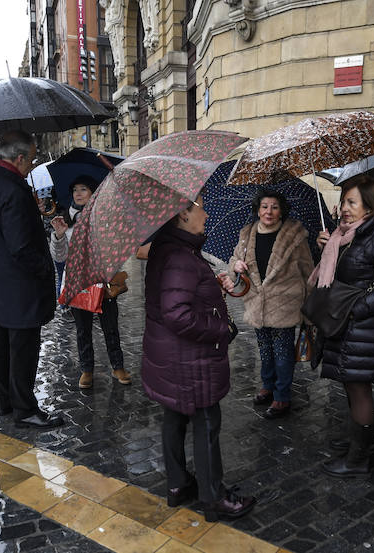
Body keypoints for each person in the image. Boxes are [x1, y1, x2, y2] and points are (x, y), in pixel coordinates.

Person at [141, 192, 256, 522]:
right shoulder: (180, 255)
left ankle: (178, 485)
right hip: (189, 361)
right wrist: (221, 328)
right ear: (182, 215)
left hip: (172, 359)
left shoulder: (172, 248)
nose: (206, 212)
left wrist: (211, 288)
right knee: (207, 423)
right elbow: (177, 314)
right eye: (201, 206)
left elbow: (182, 297)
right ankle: (213, 497)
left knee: (174, 417)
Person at [312, 175, 374, 478]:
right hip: (347, 326)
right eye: (343, 202)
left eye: (351, 202)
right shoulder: (348, 235)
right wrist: (328, 248)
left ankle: (358, 458)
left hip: (362, 327)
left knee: (359, 388)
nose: (344, 208)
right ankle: (360, 438)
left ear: (370, 206)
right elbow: (344, 274)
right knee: (350, 384)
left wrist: (356, 308)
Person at [0, 130, 63, 429]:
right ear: (20, 158)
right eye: (32, 158)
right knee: (23, 350)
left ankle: (6, 404)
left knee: (1, 346)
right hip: (22, 286)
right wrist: (44, 268)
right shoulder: (12, 189)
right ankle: (25, 410)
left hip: (1, 283)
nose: (32, 164)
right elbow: (21, 247)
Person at [218, 190, 314, 419]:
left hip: (285, 303)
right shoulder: (247, 233)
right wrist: (236, 265)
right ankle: (267, 386)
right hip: (257, 303)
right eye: (264, 206)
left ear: (282, 210)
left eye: (274, 207)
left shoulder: (294, 236)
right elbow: (233, 260)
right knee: (265, 349)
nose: (268, 212)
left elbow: (307, 269)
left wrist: (310, 307)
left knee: (282, 353)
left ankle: (282, 396)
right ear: (257, 209)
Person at [50, 175, 131, 390]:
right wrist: (58, 236)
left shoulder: (105, 218)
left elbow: (117, 249)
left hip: (102, 280)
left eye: (83, 189)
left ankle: (117, 365)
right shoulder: (64, 221)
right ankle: (87, 369)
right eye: (75, 189)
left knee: (110, 327)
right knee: (82, 329)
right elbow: (59, 258)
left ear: (93, 192)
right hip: (77, 282)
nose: (78, 193)